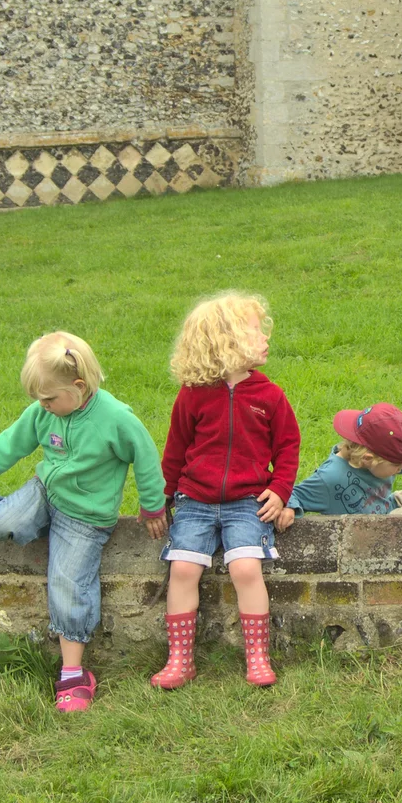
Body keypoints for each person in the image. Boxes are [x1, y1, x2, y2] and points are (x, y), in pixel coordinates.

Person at [0, 331, 166, 713]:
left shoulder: (117, 419)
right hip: (47, 492)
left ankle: (74, 674)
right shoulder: (43, 413)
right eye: (38, 400)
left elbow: (145, 458)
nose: (41, 406)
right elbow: (10, 444)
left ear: (78, 387)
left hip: (86, 518)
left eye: (48, 398)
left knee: (67, 582)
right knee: (12, 521)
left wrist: (153, 506)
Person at [150, 292, 300, 690]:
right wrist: (158, 501)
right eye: (255, 331)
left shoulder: (269, 396)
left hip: (247, 503)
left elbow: (288, 446)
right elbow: (175, 450)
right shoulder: (193, 394)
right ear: (227, 342)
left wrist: (281, 489)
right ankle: (180, 661)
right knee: (182, 569)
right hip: (195, 502)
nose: (266, 337)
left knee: (246, 569)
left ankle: (257, 657)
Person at [279, 403, 402, 526]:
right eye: (397, 464)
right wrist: (289, 507)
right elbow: (291, 493)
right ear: (368, 458)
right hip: (372, 531)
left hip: (386, 506)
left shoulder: (377, 457)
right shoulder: (331, 477)